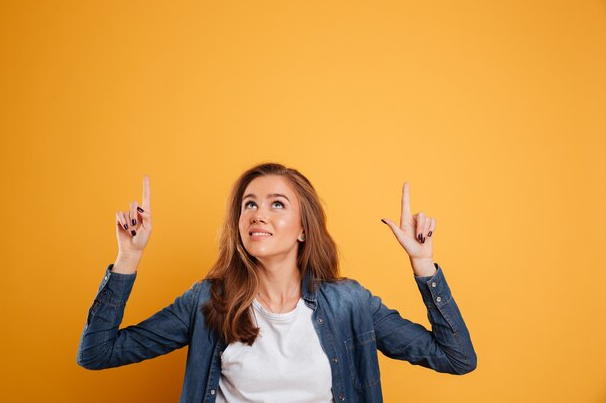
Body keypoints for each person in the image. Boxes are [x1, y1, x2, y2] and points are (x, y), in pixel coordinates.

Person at [77, 162, 477, 403]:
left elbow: (456, 358)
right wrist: (128, 257)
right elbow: (97, 353)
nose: (257, 214)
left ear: (304, 228)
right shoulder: (208, 302)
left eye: (277, 204)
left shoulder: (349, 304)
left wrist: (423, 264)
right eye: (249, 203)